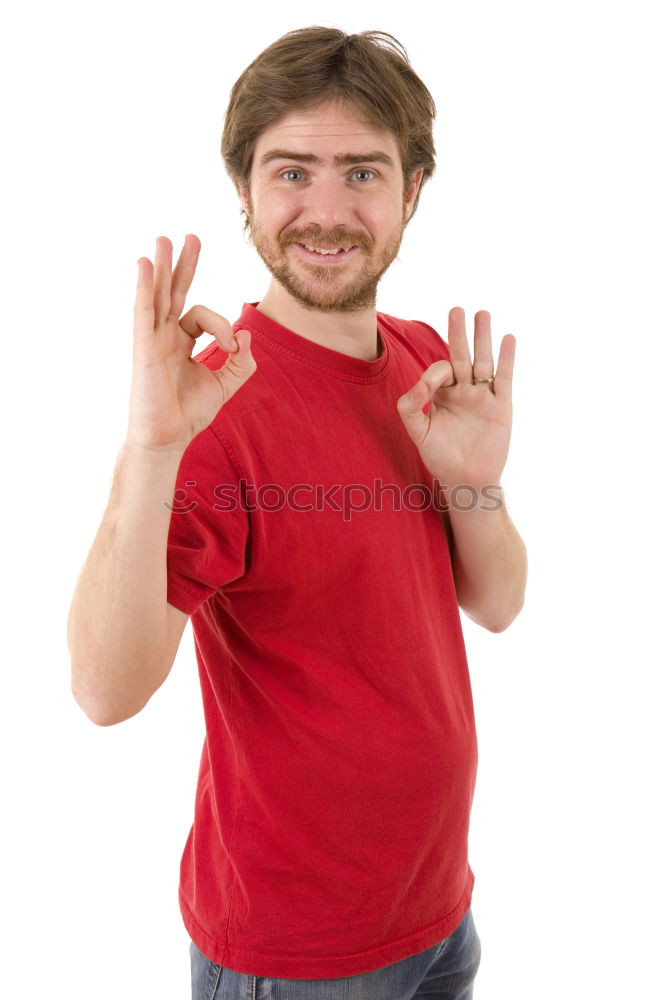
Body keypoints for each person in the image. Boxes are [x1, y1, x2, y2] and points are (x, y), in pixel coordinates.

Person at [67, 25, 527, 1000]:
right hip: (303, 956)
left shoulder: (417, 361)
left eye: (362, 172)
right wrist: (152, 448)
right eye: (291, 173)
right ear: (243, 191)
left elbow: (498, 602)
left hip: (440, 909)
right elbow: (105, 691)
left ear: (413, 192)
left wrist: (474, 480)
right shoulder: (217, 410)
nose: (327, 211)